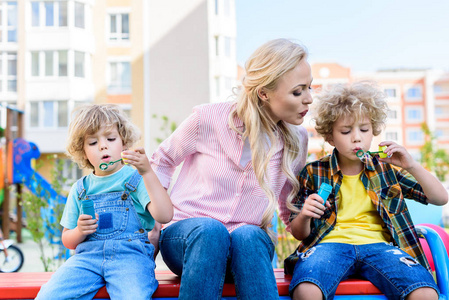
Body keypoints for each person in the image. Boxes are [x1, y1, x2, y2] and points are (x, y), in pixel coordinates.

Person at [149, 38, 312, 299]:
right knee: (210, 231)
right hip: (188, 241)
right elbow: (161, 162)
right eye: (298, 91)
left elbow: (288, 207)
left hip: (246, 251)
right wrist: (152, 224)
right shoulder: (207, 119)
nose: (309, 99)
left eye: (309, 88)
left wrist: (311, 224)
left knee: (249, 234)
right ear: (264, 93)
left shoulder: (297, 139)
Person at [285, 82, 448, 300]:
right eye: (346, 131)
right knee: (306, 290)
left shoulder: (386, 169)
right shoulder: (313, 172)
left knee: (425, 293)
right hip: (329, 247)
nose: (356, 138)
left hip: (381, 249)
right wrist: (305, 215)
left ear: (373, 131)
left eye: (364, 129)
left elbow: (440, 198)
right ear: (331, 137)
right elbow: (299, 233)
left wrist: (411, 165)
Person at [36, 104, 173, 300]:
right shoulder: (80, 189)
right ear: (82, 152)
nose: (103, 146)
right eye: (92, 143)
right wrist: (80, 231)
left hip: (130, 259)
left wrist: (148, 172)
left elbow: (165, 215)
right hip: (86, 260)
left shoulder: (136, 180)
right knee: (48, 296)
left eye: (110, 138)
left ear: (124, 143)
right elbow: (67, 240)